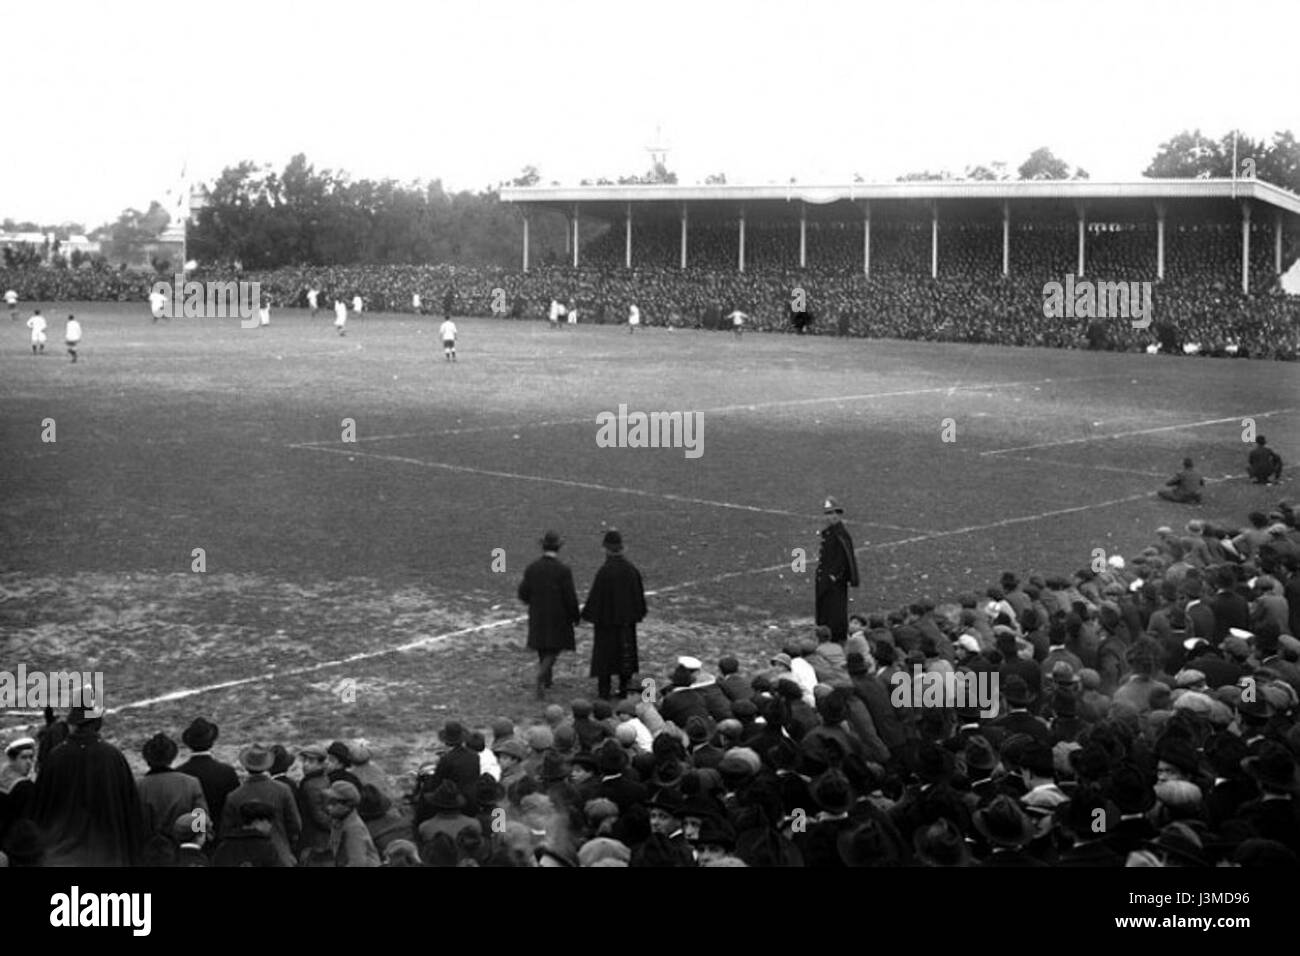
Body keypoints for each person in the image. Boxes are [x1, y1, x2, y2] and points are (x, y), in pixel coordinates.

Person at [26, 702, 146, 866]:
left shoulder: (56, 756)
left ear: (73, 724)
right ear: (97, 723)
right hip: (108, 854)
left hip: (60, 856)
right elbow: (130, 810)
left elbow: (41, 809)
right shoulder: (112, 756)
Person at [582, 529, 647, 700]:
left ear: (606, 549)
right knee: (625, 657)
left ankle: (604, 691)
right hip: (626, 623)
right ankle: (624, 689)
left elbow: (596, 598)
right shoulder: (631, 570)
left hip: (606, 624)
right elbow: (638, 597)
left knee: (605, 659)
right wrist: (636, 615)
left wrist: (589, 615)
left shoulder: (605, 572)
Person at [519, 530, 581, 699]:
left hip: (538, 613)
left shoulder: (532, 568)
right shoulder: (563, 570)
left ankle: (547, 679)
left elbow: (523, 593)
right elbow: (570, 596)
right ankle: (542, 675)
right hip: (558, 615)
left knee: (542, 646)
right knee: (555, 647)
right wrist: (575, 616)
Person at [815, 497, 861, 643]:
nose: (832, 516)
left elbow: (843, 559)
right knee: (826, 607)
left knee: (834, 610)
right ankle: (826, 633)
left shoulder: (840, 534)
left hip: (834, 580)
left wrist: (834, 576)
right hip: (827, 578)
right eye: (829, 513)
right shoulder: (831, 533)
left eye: (835, 513)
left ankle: (833, 635)